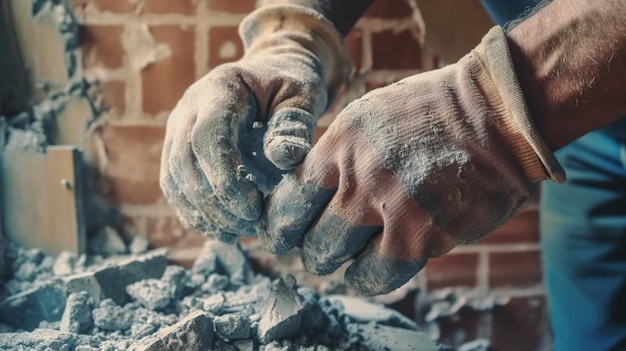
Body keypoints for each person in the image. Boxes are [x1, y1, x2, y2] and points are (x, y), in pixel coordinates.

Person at [159, 0, 626, 349]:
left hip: (574, 94)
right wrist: (291, 34)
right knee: (592, 333)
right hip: (590, 131)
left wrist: (493, 103)